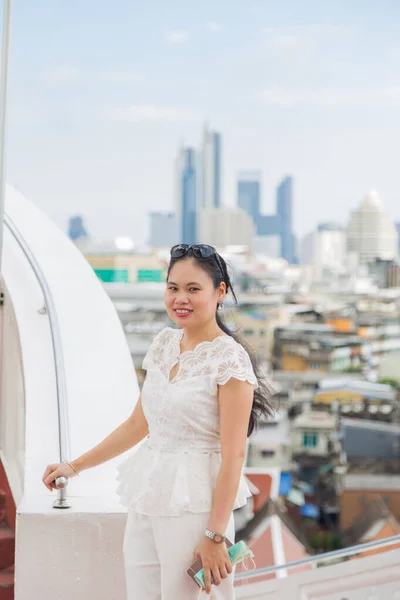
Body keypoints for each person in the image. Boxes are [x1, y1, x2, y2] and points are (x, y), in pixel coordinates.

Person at [43, 243, 273, 599]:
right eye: (173, 287)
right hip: (149, 491)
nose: (180, 298)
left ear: (220, 292)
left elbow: (234, 456)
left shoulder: (230, 359)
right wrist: (73, 467)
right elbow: (139, 424)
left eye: (193, 289)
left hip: (194, 502)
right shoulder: (165, 344)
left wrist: (214, 536)